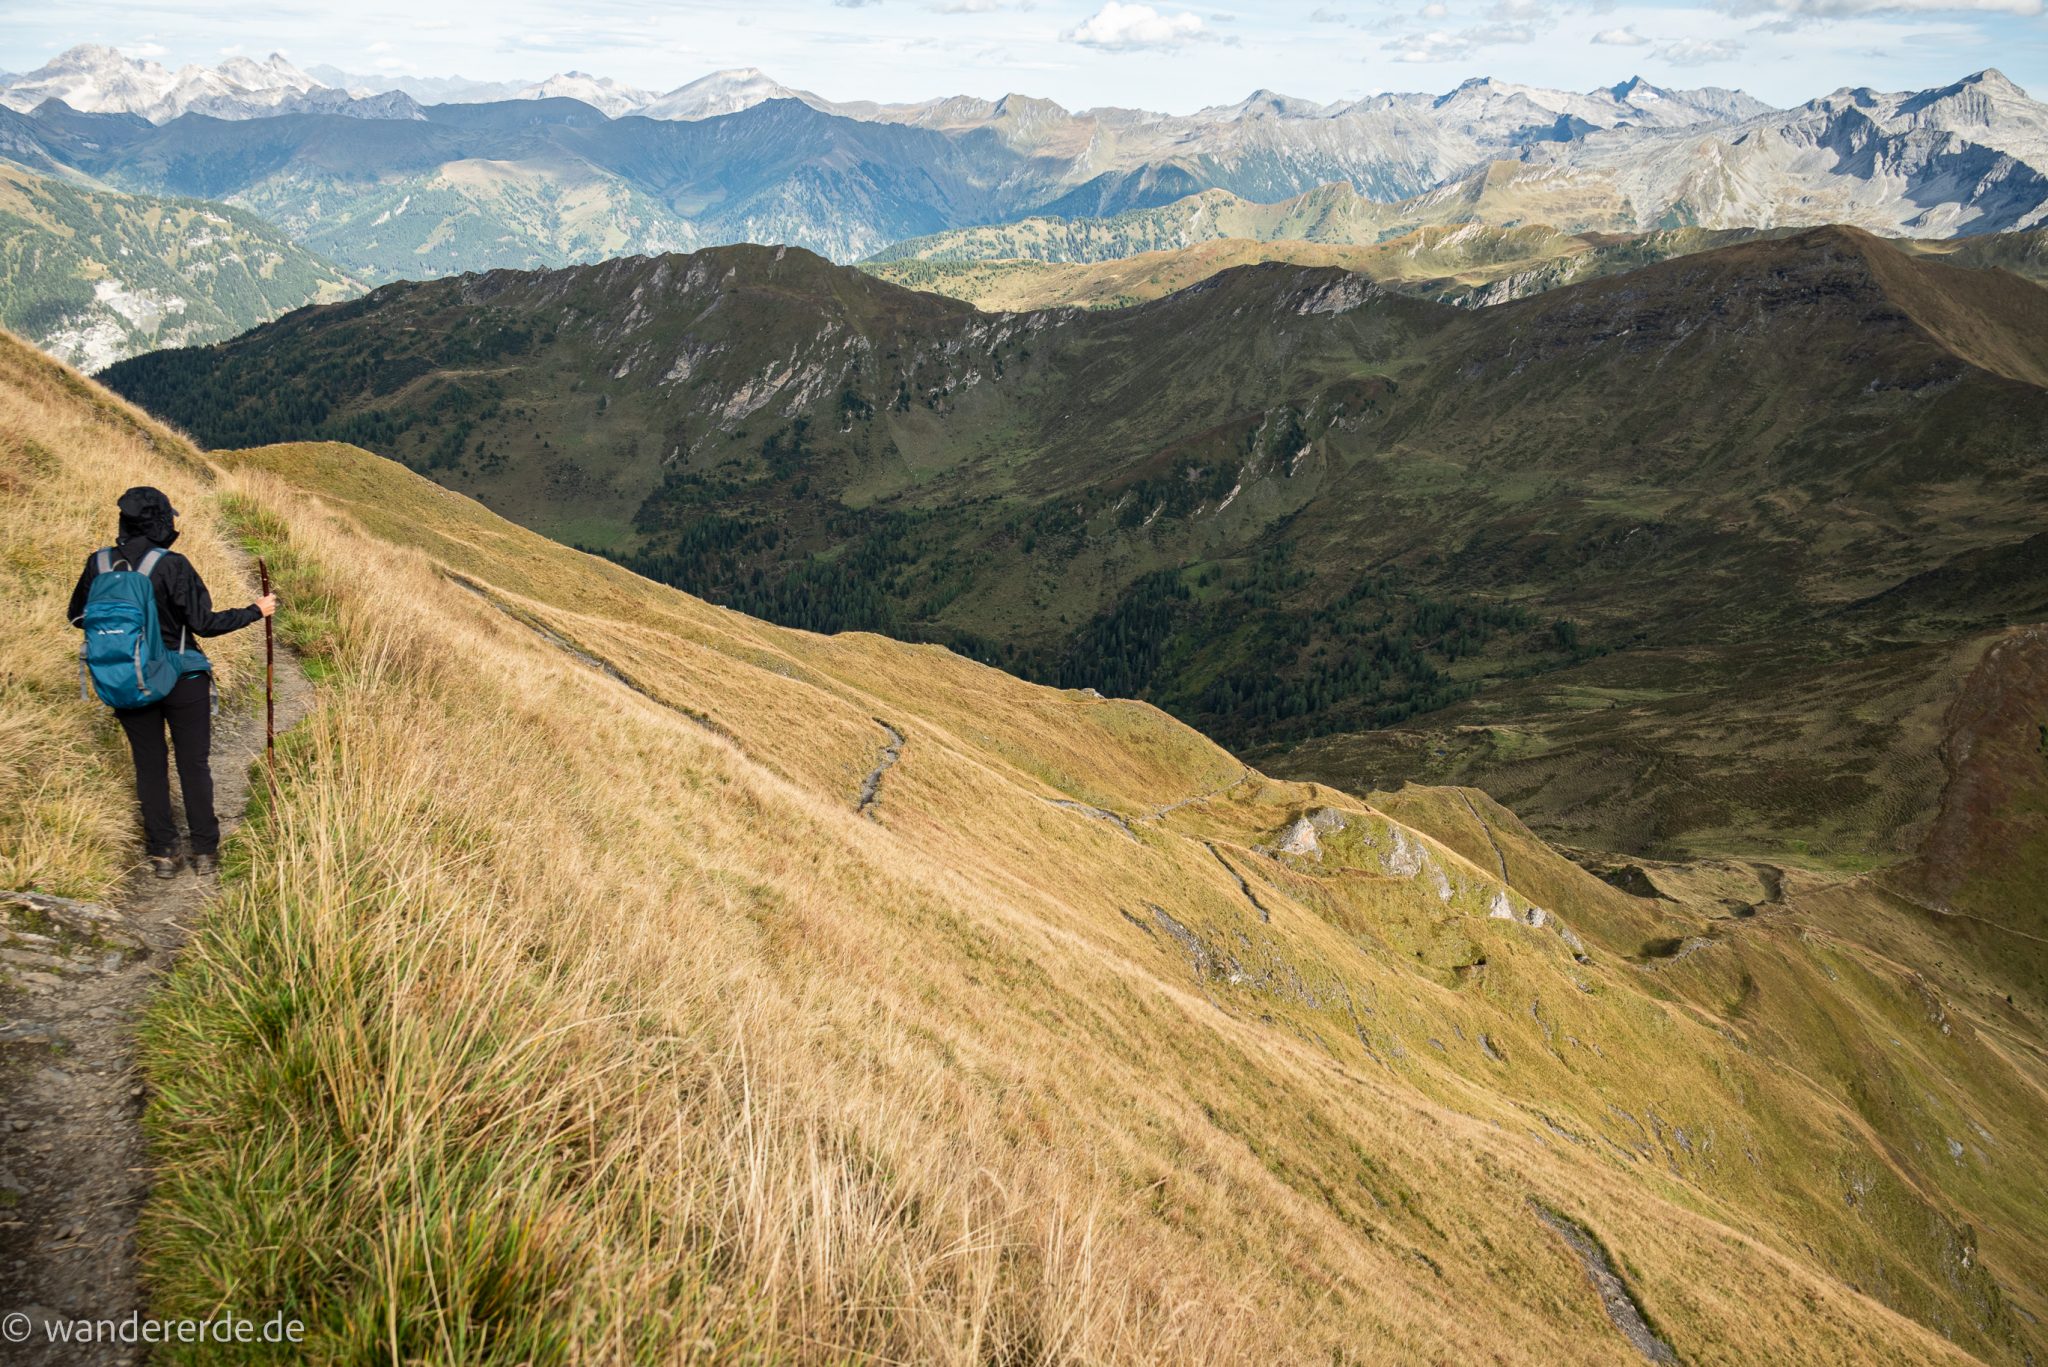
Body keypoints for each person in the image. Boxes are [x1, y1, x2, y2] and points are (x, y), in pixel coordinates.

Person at [66, 487, 276, 879]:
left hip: (127, 676)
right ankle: (205, 852)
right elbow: (204, 624)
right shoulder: (172, 565)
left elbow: (77, 616)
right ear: (161, 522)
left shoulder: (98, 564)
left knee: (149, 766)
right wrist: (256, 610)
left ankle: (163, 853)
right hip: (182, 676)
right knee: (192, 764)